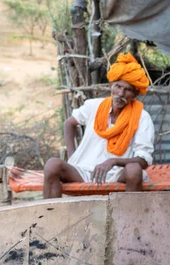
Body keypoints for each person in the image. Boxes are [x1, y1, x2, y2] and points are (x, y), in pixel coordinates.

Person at [43, 53, 154, 198]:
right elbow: (69, 123)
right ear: (110, 86)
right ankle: (51, 217)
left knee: (134, 169)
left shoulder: (142, 117)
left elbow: (143, 161)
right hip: (83, 170)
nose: (120, 93)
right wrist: (72, 156)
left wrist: (113, 161)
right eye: (118, 86)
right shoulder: (94, 106)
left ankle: (129, 219)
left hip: (117, 174)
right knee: (52, 165)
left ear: (135, 95)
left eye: (127, 90)